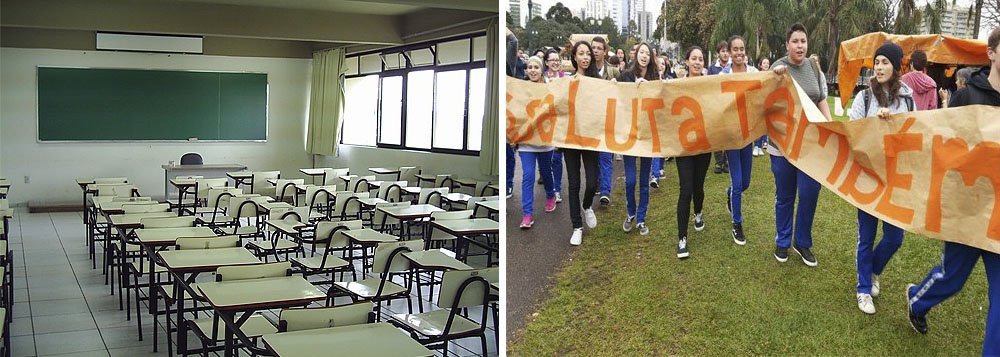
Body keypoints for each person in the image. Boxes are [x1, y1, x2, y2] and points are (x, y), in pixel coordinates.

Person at [905, 26, 1000, 356]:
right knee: (952, 278)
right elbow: (944, 147)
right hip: (967, 209)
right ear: (992, 53)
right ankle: (917, 301)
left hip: (998, 218)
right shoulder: (967, 96)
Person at [847, 42, 913, 315]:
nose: (880, 67)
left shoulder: (908, 99)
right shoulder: (864, 97)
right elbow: (852, 134)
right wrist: (877, 123)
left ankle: (873, 269)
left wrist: (894, 124)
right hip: (867, 177)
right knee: (866, 236)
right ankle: (863, 289)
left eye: (886, 62)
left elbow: (914, 136)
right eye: (877, 62)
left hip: (896, 179)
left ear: (896, 66)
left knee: (895, 237)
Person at [770, 23, 834, 267]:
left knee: (809, 193)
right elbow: (767, 105)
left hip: (811, 146)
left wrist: (831, 127)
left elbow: (821, 100)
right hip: (783, 146)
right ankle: (783, 241)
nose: (799, 46)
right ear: (787, 45)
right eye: (795, 41)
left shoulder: (814, 67)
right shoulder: (778, 69)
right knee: (785, 195)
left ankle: (802, 242)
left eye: (803, 41)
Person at [616, 42, 659, 236]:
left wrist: (648, 86)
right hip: (629, 135)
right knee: (631, 180)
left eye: (647, 53)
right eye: (641, 52)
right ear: (636, 55)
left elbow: (661, 100)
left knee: (644, 180)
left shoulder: (654, 77)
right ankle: (630, 213)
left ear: (651, 58)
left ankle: (641, 219)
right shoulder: (625, 75)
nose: (644, 56)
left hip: (648, 135)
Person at [719, 35, 758, 246]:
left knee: (745, 183)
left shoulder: (753, 73)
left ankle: (729, 194)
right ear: (730, 52)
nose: (739, 53)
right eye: (735, 49)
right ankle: (737, 224)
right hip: (731, 136)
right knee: (737, 182)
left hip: (748, 134)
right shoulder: (723, 75)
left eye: (742, 49)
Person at [674, 46, 711, 259]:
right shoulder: (677, 84)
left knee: (698, 186)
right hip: (684, 147)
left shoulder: (710, 84)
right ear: (687, 61)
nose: (697, 62)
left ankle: (698, 212)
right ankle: (682, 238)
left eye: (701, 59)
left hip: (704, 145)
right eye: (694, 58)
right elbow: (658, 90)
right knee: (685, 189)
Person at [564, 41, 601, 246]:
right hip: (570, 138)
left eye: (588, 53)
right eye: (581, 53)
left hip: (590, 138)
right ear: (575, 57)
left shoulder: (598, 82)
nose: (586, 57)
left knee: (593, 181)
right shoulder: (567, 82)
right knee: (574, 183)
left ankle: (587, 206)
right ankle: (576, 226)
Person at [518, 56, 558, 229]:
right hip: (526, 141)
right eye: (529, 67)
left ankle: (551, 194)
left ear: (542, 69)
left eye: (536, 67)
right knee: (528, 175)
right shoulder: (520, 88)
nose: (533, 70)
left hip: (545, 141)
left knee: (546, 173)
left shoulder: (550, 87)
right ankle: (527, 214)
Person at [592, 36, 620, 207]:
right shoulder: (585, 71)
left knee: (606, 156)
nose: (595, 51)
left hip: (609, 118)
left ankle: (605, 191)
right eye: (593, 47)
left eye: (598, 48)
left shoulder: (613, 72)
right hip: (592, 120)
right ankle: (596, 182)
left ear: (605, 51)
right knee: (593, 157)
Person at [709, 40, 730, 174]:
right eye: (723, 51)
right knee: (716, 135)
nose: (725, 53)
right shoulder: (712, 68)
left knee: (728, 134)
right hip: (715, 105)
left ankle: (726, 160)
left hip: (729, 105)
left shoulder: (733, 67)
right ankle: (718, 162)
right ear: (718, 53)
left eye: (727, 51)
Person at [753, 57, 771, 156]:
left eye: (768, 63)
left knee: (765, 124)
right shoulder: (757, 75)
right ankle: (756, 145)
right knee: (758, 124)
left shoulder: (771, 75)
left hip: (768, 103)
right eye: (764, 63)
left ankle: (762, 145)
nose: (766, 65)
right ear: (760, 65)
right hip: (758, 103)